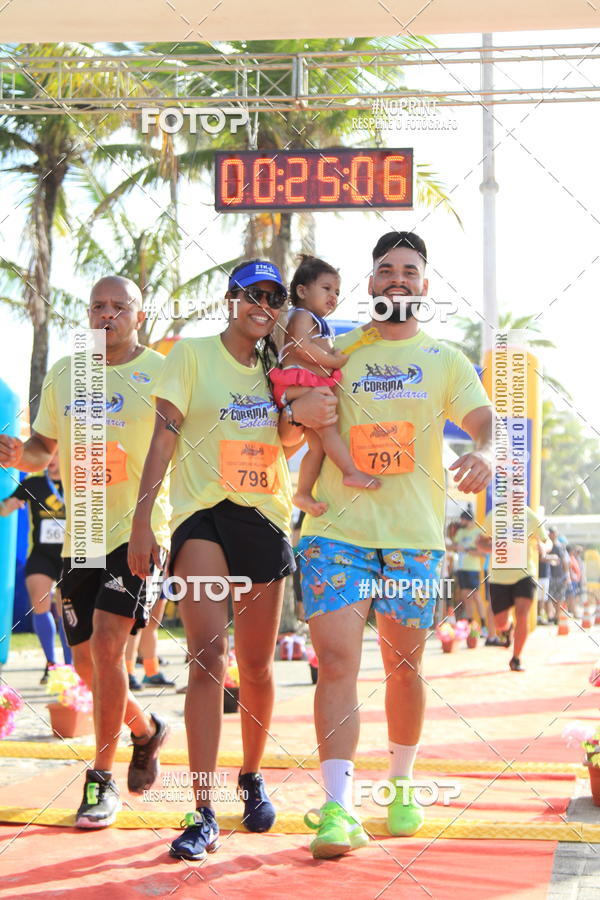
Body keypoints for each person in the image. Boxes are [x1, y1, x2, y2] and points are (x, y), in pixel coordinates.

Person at [295, 231, 493, 859]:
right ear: (371, 283)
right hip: (336, 532)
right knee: (338, 662)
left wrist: (485, 449)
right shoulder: (339, 351)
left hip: (413, 541)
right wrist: (299, 404)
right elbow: (290, 391)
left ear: (425, 286)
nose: (398, 279)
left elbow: (484, 419)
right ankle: (337, 806)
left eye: (410, 270)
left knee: (404, 668)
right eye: (386, 270)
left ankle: (402, 786)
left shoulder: (445, 359)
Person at [127, 259, 332, 861]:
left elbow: (289, 440)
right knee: (208, 657)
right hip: (202, 517)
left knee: (258, 667)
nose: (262, 304)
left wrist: (297, 413)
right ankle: (202, 809)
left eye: (273, 296)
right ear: (231, 298)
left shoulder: (279, 365)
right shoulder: (189, 356)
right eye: (252, 294)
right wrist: (144, 520)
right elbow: (164, 436)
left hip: (264, 518)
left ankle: (250, 774)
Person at [0, 275, 172, 829]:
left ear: (138, 316)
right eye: (97, 306)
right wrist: (13, 455)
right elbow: (39, 451)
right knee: (87, 668)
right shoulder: (68, 373)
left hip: (141, 529)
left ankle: (98, 783)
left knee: (106, 645)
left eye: (119, 307)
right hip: (86, 532)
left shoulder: (162, 373)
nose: (107, 315)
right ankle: (145, 729)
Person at [269, 255, 380, 516]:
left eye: (337, 291)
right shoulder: (302, 315)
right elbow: (300, 345)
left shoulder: (317, 320)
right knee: (328, 427)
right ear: (302, 291)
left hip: (306, 386)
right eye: (327, 288)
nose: (333, 295)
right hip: (298, 383)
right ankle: (350, 472)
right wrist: (332, 360)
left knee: (317, 447)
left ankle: (303, 492)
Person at [0, 452, 72, 680]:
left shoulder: (79, 482)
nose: (51, 460)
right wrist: (8, 505)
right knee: (39, 603)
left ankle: (71, 668)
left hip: (71, 556)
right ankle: (52, 664)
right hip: (41, 554)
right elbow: (5, 508)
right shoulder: (33, 483)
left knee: (67, 611)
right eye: (48, 455)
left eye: (56, 455)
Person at [478, 506, 552, 671]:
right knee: (500, 623)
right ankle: (508, 628)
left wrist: (543, 548)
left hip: (525, 573)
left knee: (522, 613)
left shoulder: (530, 516)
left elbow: (547, 541)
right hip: (499, 576)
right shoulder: (494, 515)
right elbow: (480, 541)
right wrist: (494, 548)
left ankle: (516, 658)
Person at [448, 509, 488, 628]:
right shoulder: (461, 532)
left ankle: (484, 625)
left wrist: (466, 550)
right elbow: (453, 546)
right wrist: (455, 547)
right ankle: (471, 627)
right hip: (462, 569)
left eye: (463, 520)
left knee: (476, 597)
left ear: (468, 520)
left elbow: (482, 553)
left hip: (473, 569)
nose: (460, 522)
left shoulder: (478, 532)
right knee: (466, 597)